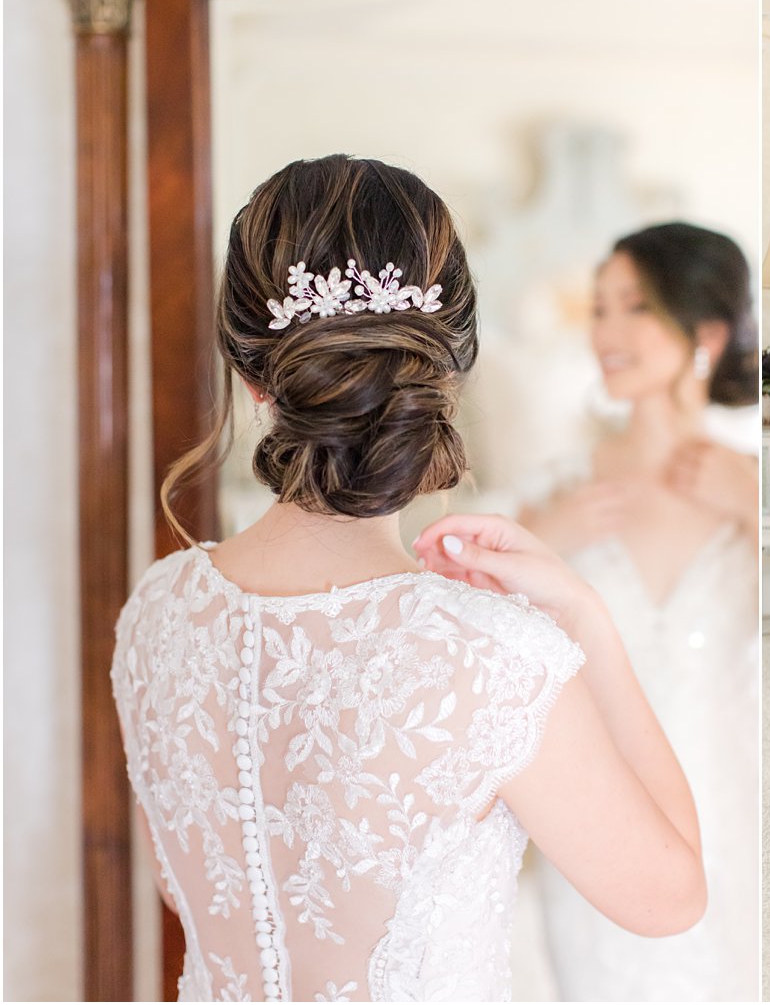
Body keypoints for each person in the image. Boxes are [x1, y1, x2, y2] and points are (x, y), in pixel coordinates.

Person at [112, 155, 705, 1002]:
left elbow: (187, 882)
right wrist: (588, 623)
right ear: (446, 375)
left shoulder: (155, 612)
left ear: (250, 378)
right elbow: (672, 897)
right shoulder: (493, 655)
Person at [517, 223, 760, 1001]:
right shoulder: (560, 489)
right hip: (596, 806)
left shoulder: (749, 481)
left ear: (707, 332)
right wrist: (541, 537)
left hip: (729, 799)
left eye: (636, 307)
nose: (607, 333)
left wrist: (756, 507)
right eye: (598, 309)